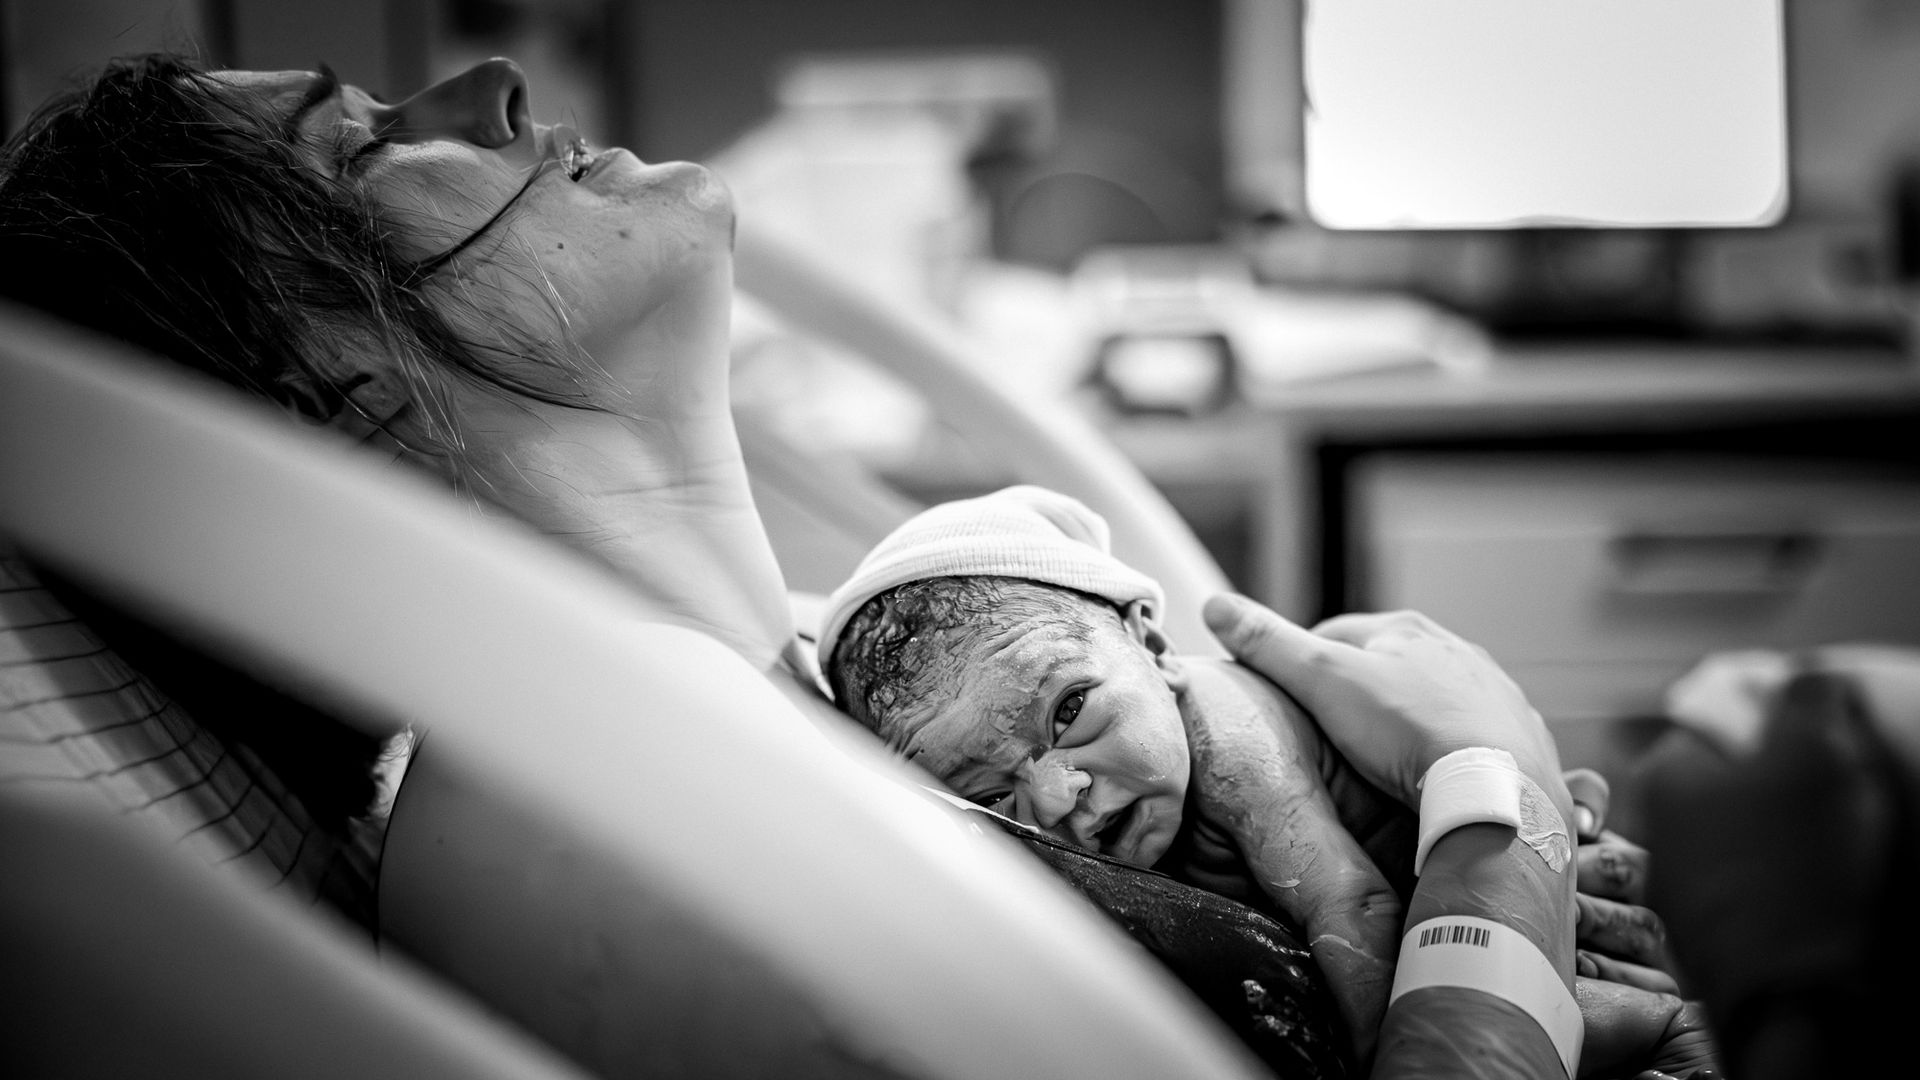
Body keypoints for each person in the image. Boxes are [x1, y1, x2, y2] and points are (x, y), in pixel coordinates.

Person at [0, 53, 1706, 1079]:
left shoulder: (801, 696)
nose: (490, 89)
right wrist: (1496, 805)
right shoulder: (587, 837)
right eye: (371, 144)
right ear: (330, 389)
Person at [824, 484, 1720, 1078]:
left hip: (1509, 923)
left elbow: (1355, 908)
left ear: (1151, 642)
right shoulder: (1098, 803)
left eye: (1069, 713)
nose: (1056, 798)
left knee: (1656, 1018)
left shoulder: (1227, 735)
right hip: (1489, 934)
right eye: (986, 795)